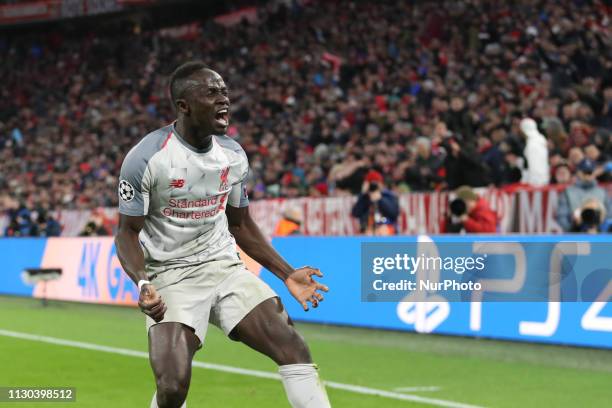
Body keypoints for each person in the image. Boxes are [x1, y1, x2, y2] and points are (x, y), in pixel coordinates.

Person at [114, 62, 330, 408]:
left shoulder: (231, 155)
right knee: (172, 385)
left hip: (223, 266)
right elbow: (127, 233)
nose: (223, 100)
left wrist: (287, 273)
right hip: (171, 276)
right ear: (183, 105)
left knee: (293, 347)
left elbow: (241, 225)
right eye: (211, 93)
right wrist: (142, 282)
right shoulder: (147, 158)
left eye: (224, 91)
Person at [556, 158, 612, 232]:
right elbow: (561, 217)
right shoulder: (568, 192)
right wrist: (574, 227)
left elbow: (610, 215)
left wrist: (600, 227)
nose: (587, 175)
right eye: (585, 172)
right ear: (578, 172)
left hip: (599, 235)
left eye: (590, 172)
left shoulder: (602, 192)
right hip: (576, 235)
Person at [351, 170, 399, 235]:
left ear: (381, 184)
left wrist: (381, 199)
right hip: (367, 229)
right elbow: (355, 213)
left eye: (376, 183)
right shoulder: (364, 198)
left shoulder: (388, 196)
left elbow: (394, 213)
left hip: (386, 226)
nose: (373, 186)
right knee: (364, 234)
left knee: (383, 230)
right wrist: (363, 195)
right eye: (371, 183)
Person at [520, 118, 550, 186]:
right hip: (540, 179)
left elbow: (535, 164)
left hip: (536, 182)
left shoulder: (533, 143)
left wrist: (535, 183)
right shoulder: (540, 139)